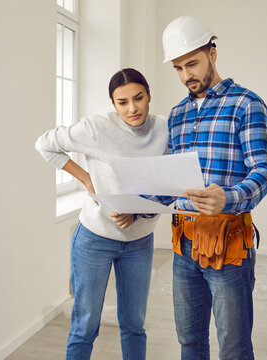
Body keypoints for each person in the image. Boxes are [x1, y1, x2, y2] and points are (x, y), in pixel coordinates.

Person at [154, 15, 267, 360]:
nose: (186, 75)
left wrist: (229, 198)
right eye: (178, 68)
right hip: (184, 245)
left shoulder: (245, 105)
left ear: (213, 53)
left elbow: (264, 171)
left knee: (234, 349)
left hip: (229, 245)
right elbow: (170, 184)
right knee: (190, 342)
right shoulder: (177, 114)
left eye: (192, 63)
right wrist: (137, 204)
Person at [35, 68, 168, 360]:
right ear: (113, 103)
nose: (132, 108)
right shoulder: (96, 128)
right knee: (85, 324)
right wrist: (85, 178)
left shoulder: (165, 130)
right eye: (122, 102)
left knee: (134, 325)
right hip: (94, 239)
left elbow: (168, 182)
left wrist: (138, 212)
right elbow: (44, 144)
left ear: (149, 96)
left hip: (140, 242)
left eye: (138, 98)